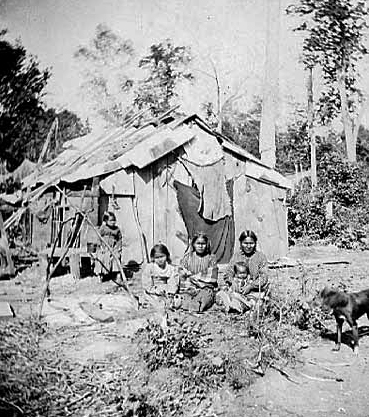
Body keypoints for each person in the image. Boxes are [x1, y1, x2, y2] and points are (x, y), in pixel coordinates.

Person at [218, 230, 269, 313]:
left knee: (257, 300)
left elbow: (264, 277)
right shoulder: (237, 256)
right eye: (245, 243)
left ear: (255, 243)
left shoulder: (260, 257)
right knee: (224, 292)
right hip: (239, 289)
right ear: (241, 243)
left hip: (254, 291)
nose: (248, 246)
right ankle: (237, 304)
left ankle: (239, 305)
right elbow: (228, 272)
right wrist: (232, 282)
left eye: (251, 243)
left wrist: (251, 286)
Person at [174, 232, 218, 312]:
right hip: (189, 288)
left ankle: (198, 304)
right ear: (193, 244)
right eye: (198, 243)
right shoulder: (188, 257)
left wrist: (194, 276)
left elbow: (212, 275)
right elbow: (181, 271)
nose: (201, 246)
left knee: (205, 297)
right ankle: (190, 304)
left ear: (207, 244)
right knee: (183, 297)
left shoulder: (211, 258)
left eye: (203, 244)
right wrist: (184, 274)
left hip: (205, 287)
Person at [141, 243, 179, 309]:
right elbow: (146, 283)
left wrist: (170, 292)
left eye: (162, 256)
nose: (160, 259)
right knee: (153, 302)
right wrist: (155, 290)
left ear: (167, 256)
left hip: (166, 291)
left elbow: (173, 283)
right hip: (153, 292)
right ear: (153, 258)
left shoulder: (170, 268)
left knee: (175, 301)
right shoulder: (150, 267)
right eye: (157, 257)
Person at [94, 211, 123, 283]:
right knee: (101, 256)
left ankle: (118, 275)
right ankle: (100, 275)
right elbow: (99, 238)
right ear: (106, 221)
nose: (113, 222)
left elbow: (119, 239)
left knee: (116, 256)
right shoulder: (103, 228)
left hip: (113, 248)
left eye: (114, 220)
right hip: (104, 248)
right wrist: (101, 247)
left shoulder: (117, 229)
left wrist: (117, 248)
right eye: (111, 220)